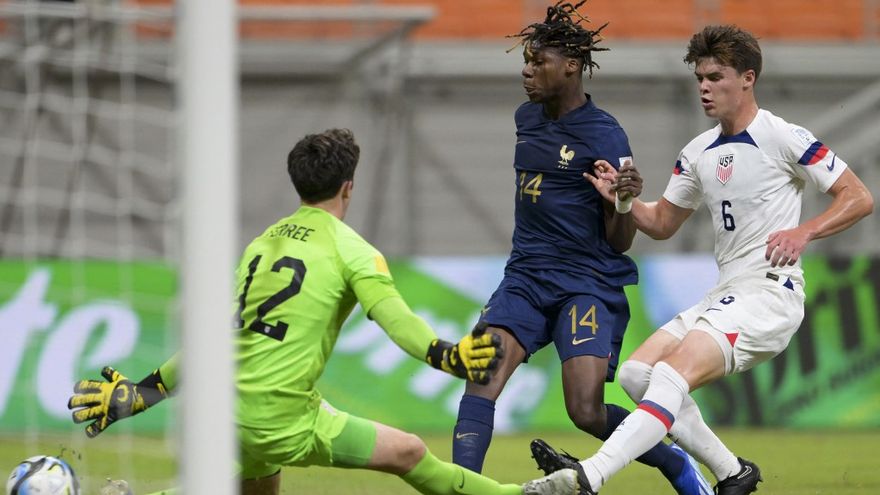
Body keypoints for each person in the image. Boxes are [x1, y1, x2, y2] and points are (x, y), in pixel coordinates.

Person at [67, 128, 584, 495]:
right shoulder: (351, 250)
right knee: (408, 453)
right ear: (348, 187)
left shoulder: (262, 243)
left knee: (256, 484)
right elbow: (396, 319)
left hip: (229, 407)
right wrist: (446, 355)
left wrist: (146, 391)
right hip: (283, 417)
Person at [530, 24, 875, 495]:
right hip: (727, 292)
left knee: (671, 374)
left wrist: (805, 230)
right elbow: (662, 223)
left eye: (715, 77)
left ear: (748, 78)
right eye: (699, 79)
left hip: (770, 293)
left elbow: (858, 197)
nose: (704, 88)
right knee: (636, 374)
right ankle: (732, 473)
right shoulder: (697, 152)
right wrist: (623, 200)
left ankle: (589, 476)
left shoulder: (782, 136)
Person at [451, 2, 711, 494]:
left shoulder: (605, 135)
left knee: (585, 411)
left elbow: (621, 240)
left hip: (586, 283)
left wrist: (622, 201)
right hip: (525, 278)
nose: (527, 71)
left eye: (538, 62)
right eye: (526, 61)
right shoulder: (526, 118)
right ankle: (462, 488)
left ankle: (675, 463)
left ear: (571, 66)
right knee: (480, 376)